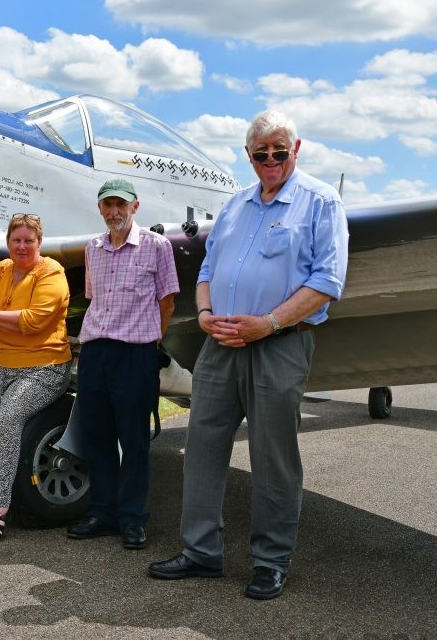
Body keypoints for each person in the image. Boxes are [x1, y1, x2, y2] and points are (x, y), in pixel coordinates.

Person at [148, 110, 349, 600]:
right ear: (249, 156)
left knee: (273, 456)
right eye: (262, 154)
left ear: (296, 150)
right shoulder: (235, 205)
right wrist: (203, 314)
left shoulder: (321, 202)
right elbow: (207, 270)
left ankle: (270, 561)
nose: (272, 161)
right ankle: (200, 552)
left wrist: (269, 322)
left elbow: (327, 281)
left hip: (279, 343)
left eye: (280, 151)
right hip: (220, 344)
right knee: (202, 447)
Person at [66, 179, 179, 548]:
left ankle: (132, 518)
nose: (115, 211)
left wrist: (149, 344)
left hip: (135, 352)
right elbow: (96, 299)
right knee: (97, 434)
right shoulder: (92, 248)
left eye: (121, 204)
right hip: (96, 350)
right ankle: (102, 511)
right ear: (100, 208)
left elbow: (168, 303)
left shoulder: (157, 245)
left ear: (135, 206)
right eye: (108, 204)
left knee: (133, 440)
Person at [0, 213, 72, 544]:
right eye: (16, 240)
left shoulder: (52, 272)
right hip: (1, 363)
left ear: (39, 242)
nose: (22, 247)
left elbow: (34, 320)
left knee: (7, 420)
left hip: (45, 367)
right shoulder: (0, 270)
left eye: (29, 241)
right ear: (7, 242)